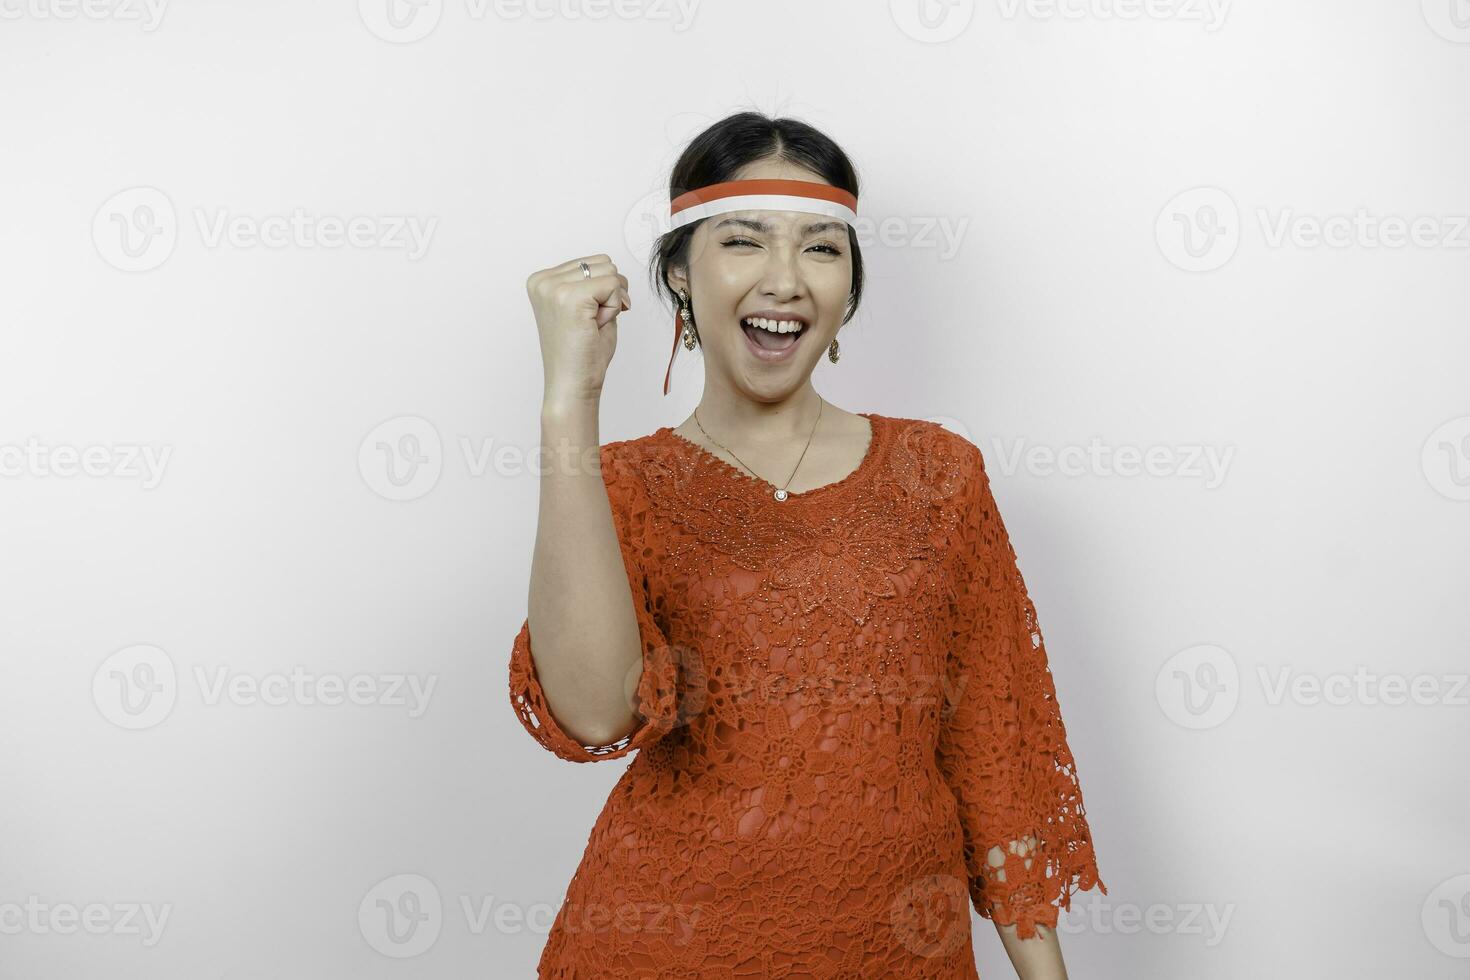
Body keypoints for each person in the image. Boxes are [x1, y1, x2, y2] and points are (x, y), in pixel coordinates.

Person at [510, 111, 1106, 979]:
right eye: (744, 241)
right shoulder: (621, 485)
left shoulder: (940, 475)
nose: (785, 280)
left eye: (823, 249)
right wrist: (570, 400)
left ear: (851, 287)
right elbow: (597, 714)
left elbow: (995, 760)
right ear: (679, 272)